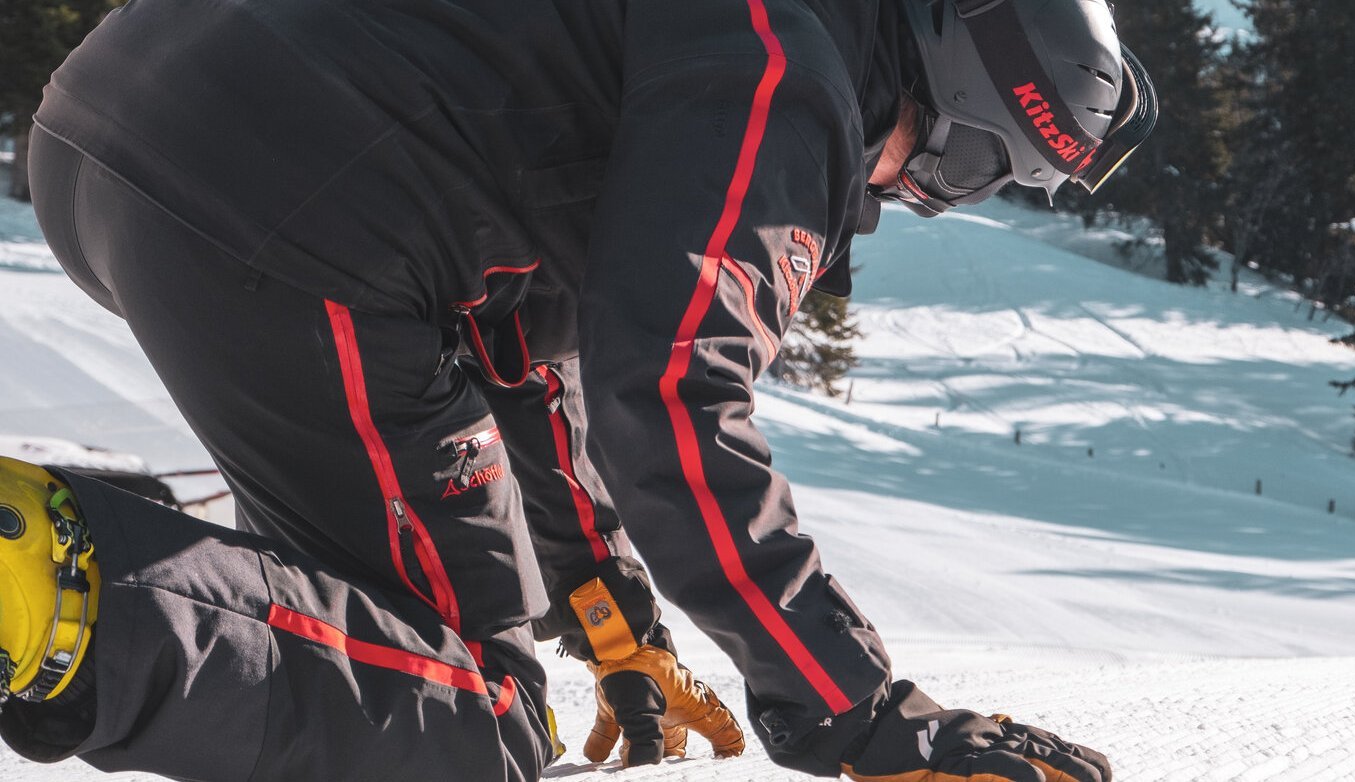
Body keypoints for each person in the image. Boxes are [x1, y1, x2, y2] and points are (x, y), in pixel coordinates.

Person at [1, 0, 1157, 778]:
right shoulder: (790, 71)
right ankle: (38, 586)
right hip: (293, 203)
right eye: (969, 162)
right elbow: (670, 393)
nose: (919, 190)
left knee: (346, 642)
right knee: (471, 714)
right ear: (939, 56)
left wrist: (606, 604)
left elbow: (525, 339)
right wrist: (861, 711)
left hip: (125, 128)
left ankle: (67, 574)